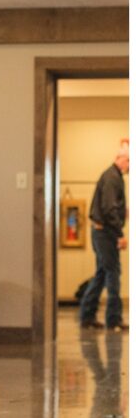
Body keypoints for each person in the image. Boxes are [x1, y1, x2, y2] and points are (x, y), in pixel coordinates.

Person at [79, 139, 129, 331]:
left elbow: (111, 207)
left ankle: (87, 316)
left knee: (101, 274)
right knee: (113, 273)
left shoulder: (113, 177)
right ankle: (114, 319)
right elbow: (109, 209)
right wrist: (120, 234)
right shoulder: (112, 177)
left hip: (102, 232)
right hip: (105, 233)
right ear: (122, 159)